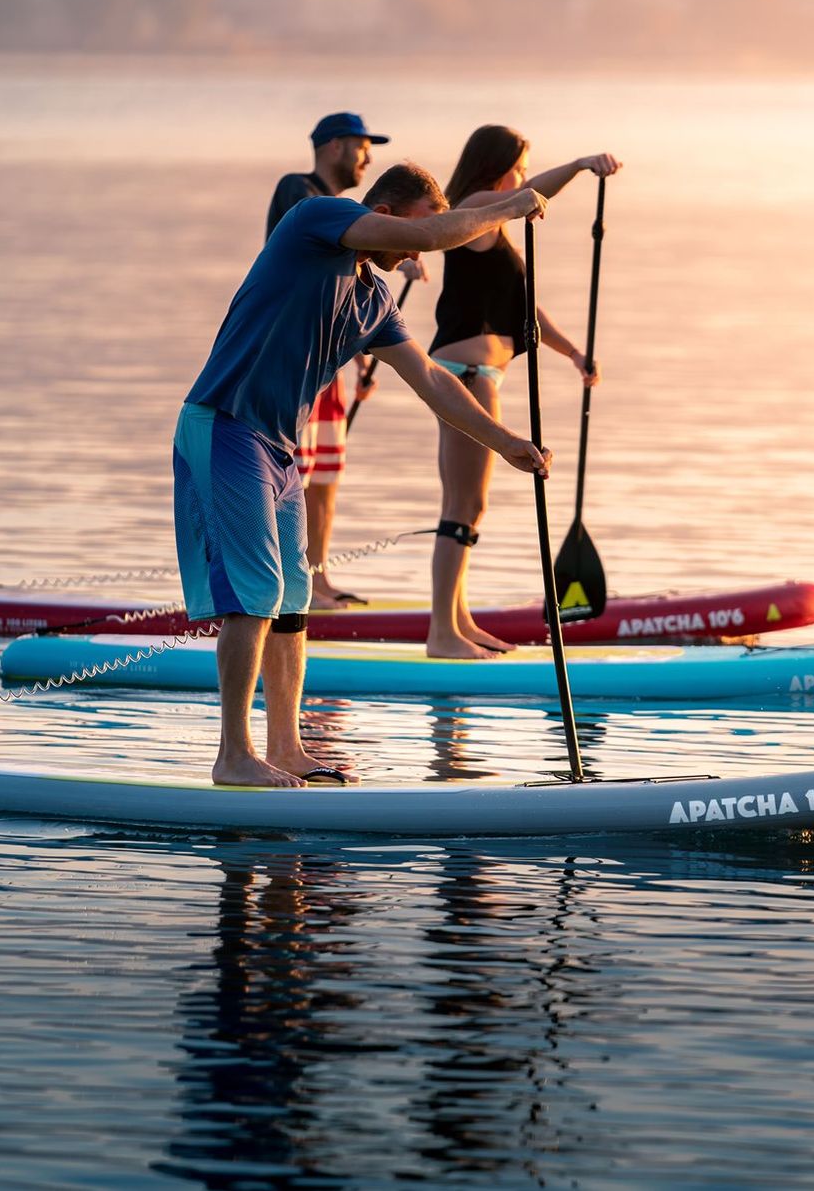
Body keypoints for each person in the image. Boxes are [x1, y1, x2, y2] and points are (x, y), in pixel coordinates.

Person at [176, 162, 551, 788]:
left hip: (278, 447)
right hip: (224, 425)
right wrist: (510, 206)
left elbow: (434, 383)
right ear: (390, 211)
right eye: (416, 228)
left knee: (294, 601)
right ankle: (233, 756)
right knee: (256, 593)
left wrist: (506, 440)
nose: (414, 248)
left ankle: (287, 749)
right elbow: (436, 237)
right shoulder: (319, 219)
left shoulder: (372, 299)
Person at [424, 125, 621, 660]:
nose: (526, 178)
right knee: (461, 504)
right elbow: (523, 198)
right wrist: (580, 164)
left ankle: (457, 621)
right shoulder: (475, 204)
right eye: (521, 166)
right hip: (466, 374)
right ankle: (441, 634)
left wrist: (574, 354)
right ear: (496, 166)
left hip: (480, 374)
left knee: (473, 503)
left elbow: (524, 306)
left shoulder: (494, 221)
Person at [266, 112, 425, 611]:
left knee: (328, 474)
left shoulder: (349, 214)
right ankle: (289, 583)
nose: (368, 157)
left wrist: (358, 355)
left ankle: (320, 577)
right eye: (360, 146)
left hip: (332, 360)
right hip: (295, 359)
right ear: (333, 146)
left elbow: (346, 290)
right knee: (300, 473)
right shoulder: (302, 193)